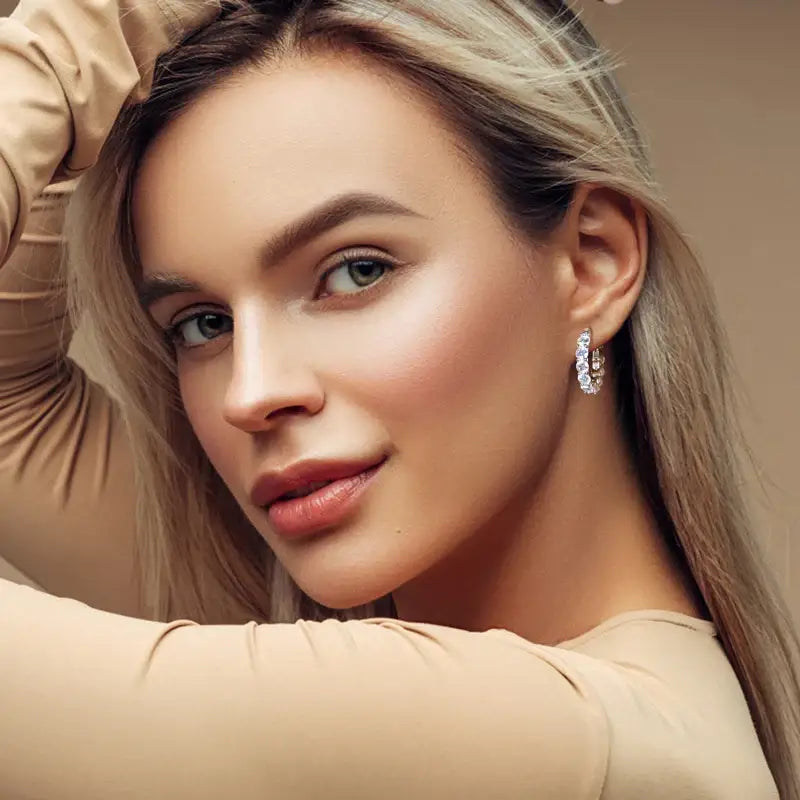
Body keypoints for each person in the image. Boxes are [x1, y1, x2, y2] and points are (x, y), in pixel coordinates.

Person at [0, 0, 797, 797]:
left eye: (356, 271)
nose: (252, 392)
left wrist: (76, 45)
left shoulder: (561, 738)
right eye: (203, 323)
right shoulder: (633, 722)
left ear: (590, 262)